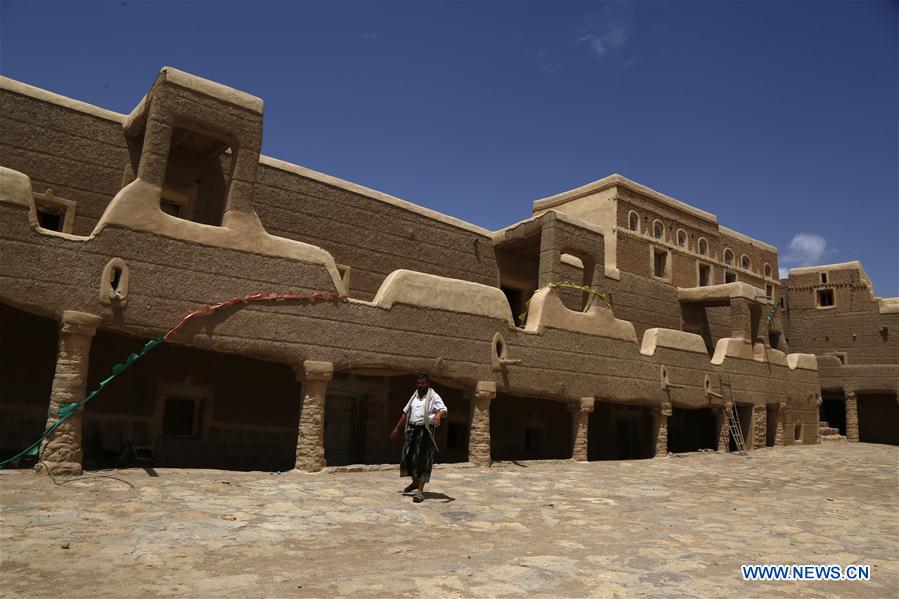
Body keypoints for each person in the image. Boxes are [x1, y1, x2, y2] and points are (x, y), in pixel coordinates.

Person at [389, 372, 447, 503]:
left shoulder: (433, 396)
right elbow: (405, 412)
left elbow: (444, 410)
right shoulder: (414, 396)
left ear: (428, 384)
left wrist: (438, 415)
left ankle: (420, 491)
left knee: (422, 460)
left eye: (423, 383)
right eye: (418, 383)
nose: (420, 385)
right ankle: (415, 482)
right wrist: (397, 428)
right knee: (407, 457)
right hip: (412, 429)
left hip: (425, 430)